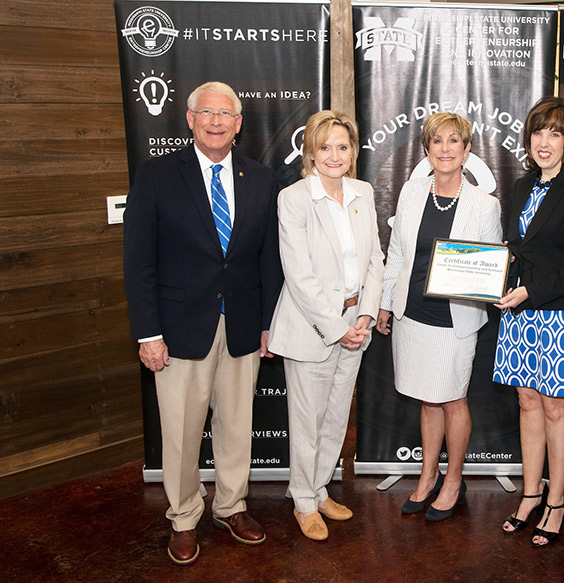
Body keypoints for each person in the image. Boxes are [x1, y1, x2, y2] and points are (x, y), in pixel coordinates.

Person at [123, 81, 283, 565]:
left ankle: (231, 505)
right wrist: (147, 332)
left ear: (239, 123)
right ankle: (185, 516)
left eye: (226, 114)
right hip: (176, 330)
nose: (216, 121)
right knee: (182, 431)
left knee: (237, 425)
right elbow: (138, 260)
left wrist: (268, 324)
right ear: (189, 120)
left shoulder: (261, 178)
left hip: (242, 324)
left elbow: (268, 260)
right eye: (206, 113)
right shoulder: (156, 176)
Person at [375, 112, 501, 522]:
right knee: (428, 399)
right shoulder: (411, 193)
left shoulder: (484, 205)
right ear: (427, 149)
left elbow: (488, 267)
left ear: (467, 150)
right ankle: (427, 476)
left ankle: (453, 479)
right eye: (437, 142)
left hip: (456, 319)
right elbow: (396, 251)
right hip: (412, 313)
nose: (445, 149)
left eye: (454, 141)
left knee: (452, 399)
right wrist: (385, 302)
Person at [493, 96, 564, 546]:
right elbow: (515, 250)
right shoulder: (521, 186)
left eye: (555, 133)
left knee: (556, 406)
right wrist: (495, 280)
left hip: (559, 313)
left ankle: (556, 501)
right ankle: (530, 493)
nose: (545, 142)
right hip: (519, 313)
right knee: (526, 402)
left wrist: (529, 291)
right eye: (538, 132)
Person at [267, 111, 384, 541]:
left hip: (357, 323)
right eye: (325, 147)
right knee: (308, 420)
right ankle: (302, 500)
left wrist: (366, 315)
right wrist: (337, 328)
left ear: (353, 151)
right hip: (312, 328)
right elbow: (299, 276)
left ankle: (319, 490)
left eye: (342, 146)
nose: (334, 155)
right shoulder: (294, 198)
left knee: (336, 417)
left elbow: (375, 260)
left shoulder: (363, 191)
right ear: (310, 152)